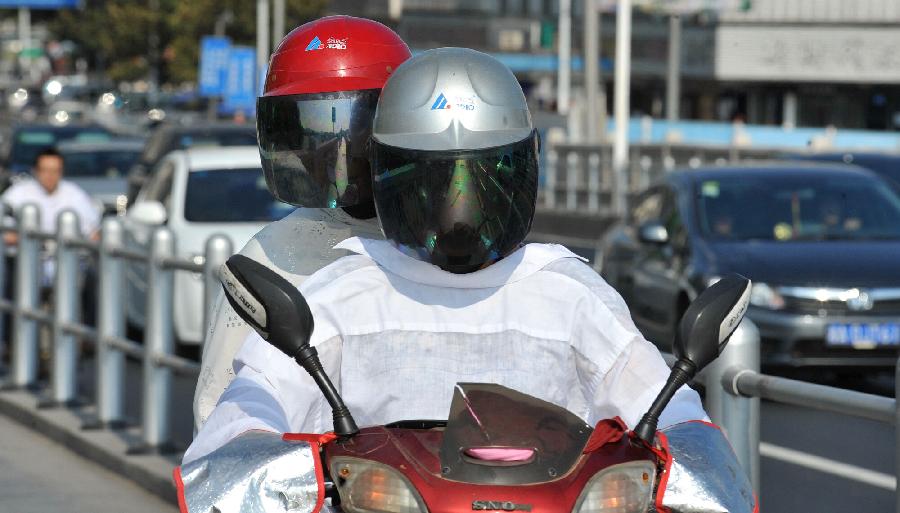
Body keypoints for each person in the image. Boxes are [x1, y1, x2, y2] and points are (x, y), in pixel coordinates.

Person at [184, 48, 707, 464]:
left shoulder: (572, 296)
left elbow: (661, 402)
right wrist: (248, 438)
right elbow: (253, 400)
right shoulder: (340, 298)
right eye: (433, 184)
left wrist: (688, 442)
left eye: (482, 181)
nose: (459, 211)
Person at [192, 16, 411, 431]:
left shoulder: (436, 243)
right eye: (312, 136)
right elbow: (218, 405)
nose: (332, 152)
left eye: (352, 131)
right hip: (318, 481)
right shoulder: (275, 252)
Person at [1, 147, 100, 244]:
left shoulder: (74, 194)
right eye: (45, 170)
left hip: (67, 256)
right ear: (36, 171)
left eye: (55, 171)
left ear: (62, 171)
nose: (50, 176)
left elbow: (93, 231)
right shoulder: (18, 193)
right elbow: (5, 229)